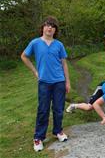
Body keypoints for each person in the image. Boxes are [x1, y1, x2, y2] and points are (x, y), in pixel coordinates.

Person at [21, 16, 70, 152]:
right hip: (44, 82)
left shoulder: (59, 45)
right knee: (43, 110)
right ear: (42, 27)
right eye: (47, 25)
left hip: (59, 81)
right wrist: (35, 72)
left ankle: (58, 131)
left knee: (58, 109)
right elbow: (24, 56)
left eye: (53, 26)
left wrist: (67, 82)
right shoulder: (35, 43)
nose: (50, 28)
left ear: (55, 30)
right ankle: (38, 137)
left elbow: (64, 63)